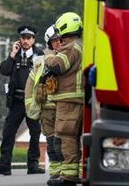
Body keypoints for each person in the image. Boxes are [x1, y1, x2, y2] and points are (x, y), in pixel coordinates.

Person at [0, 25, 46, 176]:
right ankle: (4, 166)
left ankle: (33, 165)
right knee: (8, 132)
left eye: (28, 38)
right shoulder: (16, 55)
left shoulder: (39, 55)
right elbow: (3, 70)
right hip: (17, 101)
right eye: (23, 38)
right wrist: (12, 54)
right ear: (20, 39)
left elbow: (45, 75)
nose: (25, 41)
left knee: (35, 132)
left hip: (32, 100)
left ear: (33, 40)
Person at [44, 12, 84, 186]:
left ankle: (68, 178)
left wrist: (47, 56)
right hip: (72, 100)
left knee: (66, 137)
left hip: (69, 100)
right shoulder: (79, 46)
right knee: (71, 137)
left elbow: (57, 65)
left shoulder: (70, 48)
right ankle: (71, 174)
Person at [25, 25, 64, 181]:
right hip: (47, 109)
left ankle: (68, 173)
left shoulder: (70, 58)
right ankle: (55, 173)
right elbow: (31, 85)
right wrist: (33, 109)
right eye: (55, 41)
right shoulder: (40, 62)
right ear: (49, 43)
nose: (59, 43)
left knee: (65, 142)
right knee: (51, 143)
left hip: (65, 108)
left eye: (61, 40)